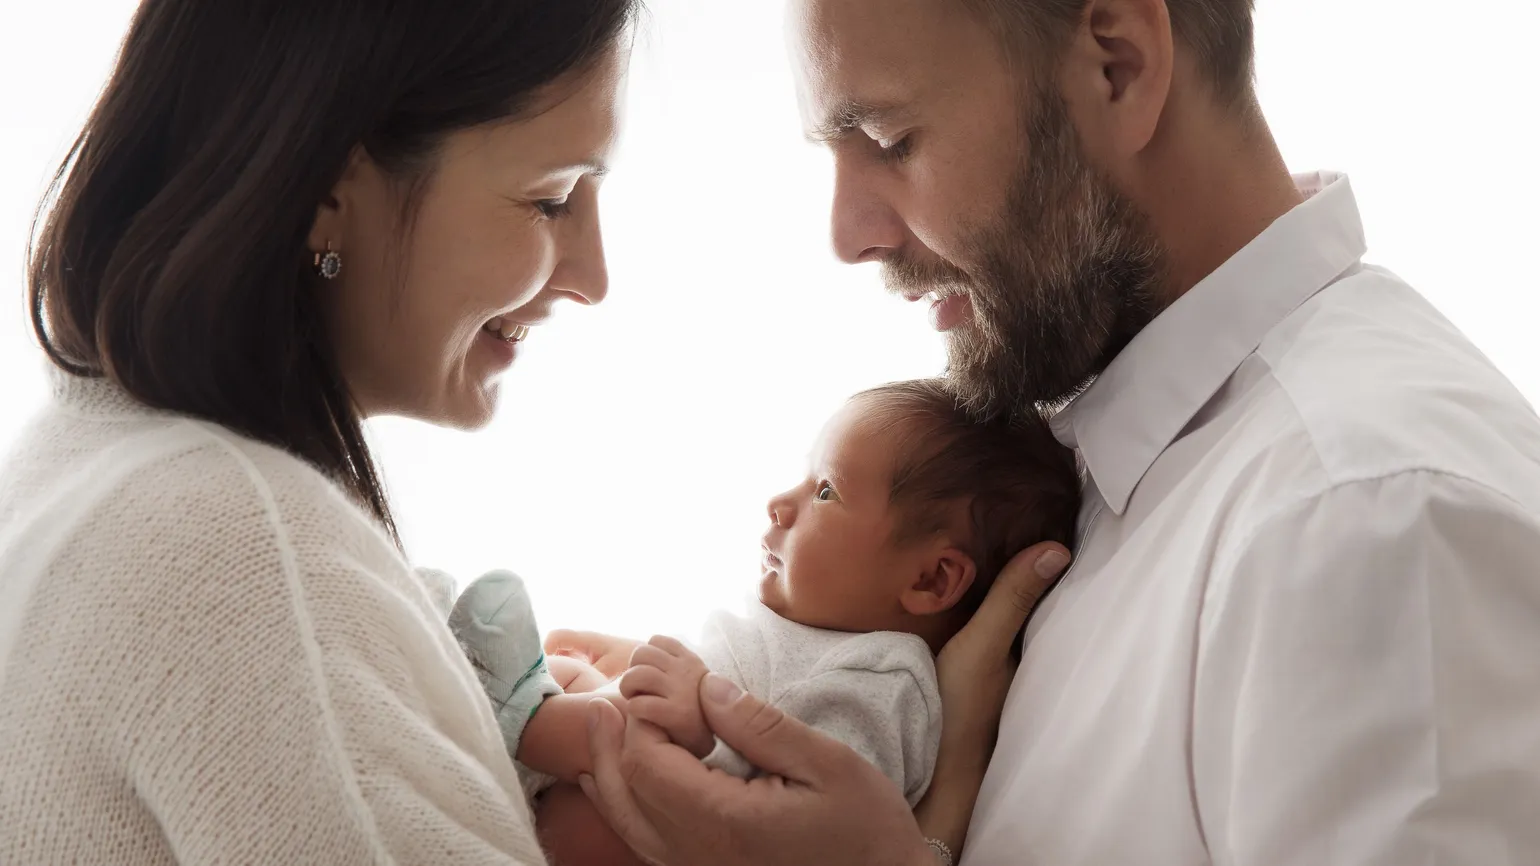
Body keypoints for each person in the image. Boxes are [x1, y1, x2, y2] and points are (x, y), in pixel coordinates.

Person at [0, 2, 1072, 863]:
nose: (593, 276)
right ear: (329, 189)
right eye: (552, 198)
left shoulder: (94, 465)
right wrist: (927, 826)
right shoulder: (236, 548)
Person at [580, 0, 1540, 863]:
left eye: (890, 138)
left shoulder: (1369, 517)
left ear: (1117, 65)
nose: (849, 232)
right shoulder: (1081, 452)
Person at [449, 378, 1080, 865]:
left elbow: (798, 825)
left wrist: (702, 729)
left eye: (825, 491)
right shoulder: (810, 628)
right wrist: (641, 659)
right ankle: (514, 701)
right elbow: (735, 674)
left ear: (930, 580)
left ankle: (517, 711)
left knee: (595, 711)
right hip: (606, 800)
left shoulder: (887, 680)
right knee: (582, 675)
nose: (782, 502)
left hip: (648, 839)